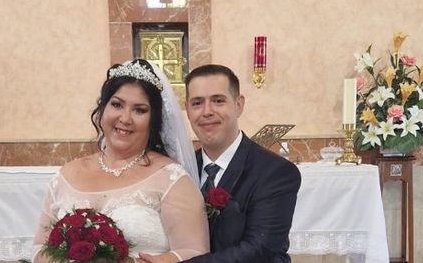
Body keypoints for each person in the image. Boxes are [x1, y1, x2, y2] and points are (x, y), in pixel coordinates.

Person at [30, 59, 209, 262]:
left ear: (154, 120)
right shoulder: (67, 175)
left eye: (139, 110)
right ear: (103, 108)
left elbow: (194, 253)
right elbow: (39, 249)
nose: (125, 118)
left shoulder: (172, 179)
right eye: (117, 105)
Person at [143, 64, 301, 263]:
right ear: (188, 109)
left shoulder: (276, 172)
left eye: (218, 101)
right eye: (197, 103)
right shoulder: (178, 170)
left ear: (239, 105)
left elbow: (260, 249)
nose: (207, 111)